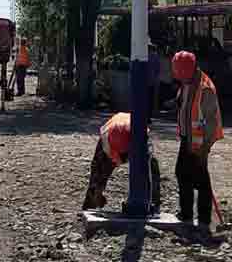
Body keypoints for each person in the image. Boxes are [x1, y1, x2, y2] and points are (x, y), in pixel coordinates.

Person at [171, 50, 224, 233]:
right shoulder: (187, 83)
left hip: (200, 143)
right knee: (182, 174)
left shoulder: (205, 88)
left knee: (201, 181)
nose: (179, 78)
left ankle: (203, 220)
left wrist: (205, 147)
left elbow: (212, 121)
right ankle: (186, 214)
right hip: (187, 139)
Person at [82, 112, 160, 213]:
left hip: (133, 133)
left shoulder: (142, 139)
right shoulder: (107, 143)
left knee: (151, 170)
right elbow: (108, 162)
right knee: (97, 174)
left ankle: (153, 204)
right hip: (112, 132)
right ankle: (90, 205)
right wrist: (98, 192)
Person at [147, 38, 160, 123]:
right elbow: (157, 69)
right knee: (150, 100)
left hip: (145, 81)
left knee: (145, 99)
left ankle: (146, 116)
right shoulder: (155, 56)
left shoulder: (143, 56)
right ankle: (148, 116)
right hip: (151, 81)